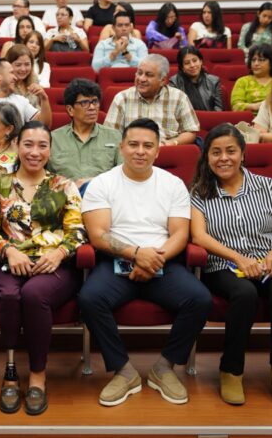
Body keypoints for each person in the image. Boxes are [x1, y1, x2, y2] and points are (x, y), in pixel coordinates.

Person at [78, 118, 212, 406]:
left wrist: (152, 260)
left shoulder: (173, 184)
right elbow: (99, 236)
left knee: (200, 299)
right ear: (122, 147)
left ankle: (164, 367)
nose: (140, 151)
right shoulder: (102, 183)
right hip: (116, 262)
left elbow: (180, 234)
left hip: (163, 261)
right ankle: (123, 371)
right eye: (134, 144)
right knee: (89, 299)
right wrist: (137, 254)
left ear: (158, 150)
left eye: (148, 146)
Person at [0, 121, 86, 415]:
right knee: (10, 295)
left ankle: (38, 373)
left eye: (42, 145)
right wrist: (9, 250)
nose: (35, 152)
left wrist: (60, 253)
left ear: (50, 149)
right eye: (28, 144)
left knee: (34, 294)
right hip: (10, 262)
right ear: (16, 145)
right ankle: (11, 369)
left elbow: (77, 230)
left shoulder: (64, 185)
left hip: (54, 265)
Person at [189, 123, 272, 407]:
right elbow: (199, 236)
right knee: (244, 294)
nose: (223, 158)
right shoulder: (200, 191)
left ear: (242, 153)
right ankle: (231, 370)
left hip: (268, 262)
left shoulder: (268, 186)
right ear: (207, 157)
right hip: (223, 265)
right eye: (215, 152)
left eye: (230, 151)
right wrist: (238, 258)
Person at [104, 54, 199, 145]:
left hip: (167, 152)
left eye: (148, 75)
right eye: (139, 73)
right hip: (132, 153)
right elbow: (109, 135)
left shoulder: (179, 98)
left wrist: (172, 142)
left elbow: (191, 131)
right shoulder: (122, 98)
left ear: (162, 80)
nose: (142, 79)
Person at [49, 79, 122, 189]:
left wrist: (91, 182)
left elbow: (123, 174)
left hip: (104, 194)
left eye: (95, 101)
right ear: (70, 110)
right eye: (84, 103)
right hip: (64, 195)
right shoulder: (53, 139)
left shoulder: (114, 136)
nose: (92, 107)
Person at [0, 59, 51, 139]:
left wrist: (44, 99)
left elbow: (43, 125)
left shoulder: (20, 99)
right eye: (11, 73)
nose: (15, 78)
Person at [168, 46, 224, 112]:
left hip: (210, 118)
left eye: (195, 61)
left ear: (201, 61)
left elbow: (218, 109)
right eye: (187, 63)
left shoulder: (214, 81)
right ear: (182, 67)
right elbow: (174, 110)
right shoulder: (174, 82)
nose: (192, 65)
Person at [231, 44, 272, 114]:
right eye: (253, 60)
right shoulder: (242, 81)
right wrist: (256, 106)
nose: (256, 64)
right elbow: (235, 106)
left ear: (271, 62)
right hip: (249, 119)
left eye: (261, 60)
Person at [6, 44, 47, 109]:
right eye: (18, 65)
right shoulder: (4, 83)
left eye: (27, 64)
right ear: (8, 65)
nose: (23, 69)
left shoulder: (34, 78)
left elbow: (36, 106)